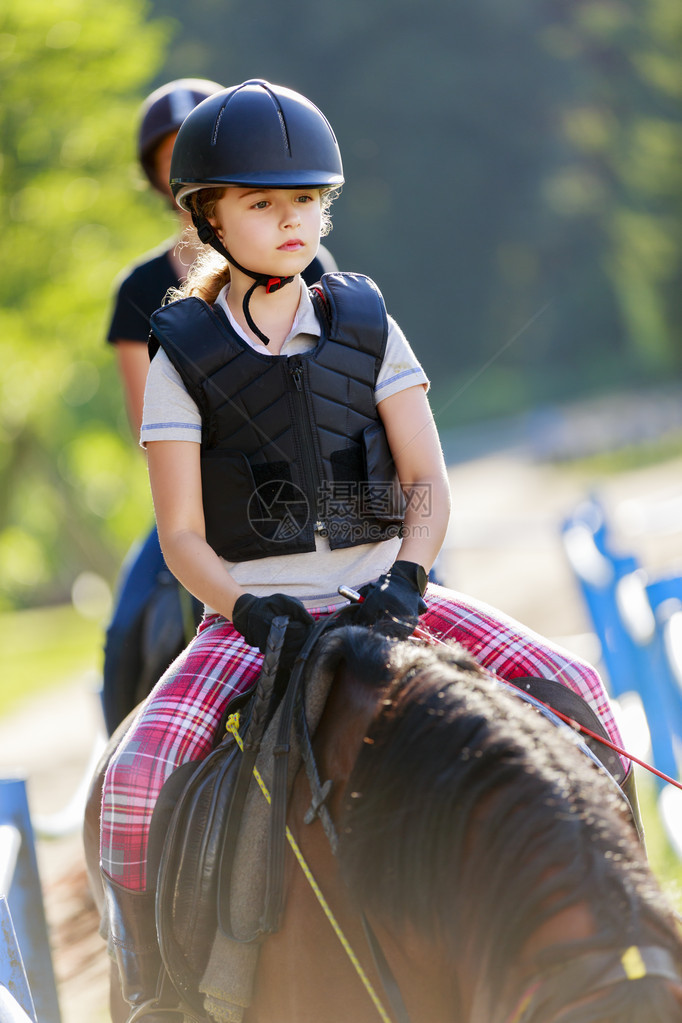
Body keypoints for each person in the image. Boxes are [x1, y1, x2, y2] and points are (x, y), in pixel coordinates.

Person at [98, 80, 628, 1021]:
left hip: (384, 591)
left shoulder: (368, 321)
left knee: (582, 696)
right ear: (208, 218)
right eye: (262, 204)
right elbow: (179, 532)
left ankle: (615, 914)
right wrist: (244, 607)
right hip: (258, 616)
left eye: (306, 200)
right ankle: (152, 994)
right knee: (132, 782)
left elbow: (425, 478)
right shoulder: (178, 347)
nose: (292, 221)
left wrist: (410, 574)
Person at [102, 78, 341, 736]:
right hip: (199, 490)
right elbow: (142, 424)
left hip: (313, 471)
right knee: (127, 623)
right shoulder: (140, 289)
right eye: (171, 155)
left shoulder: (307, 261)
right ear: (165, 180)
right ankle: (121, 749)